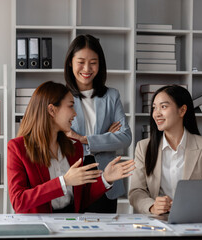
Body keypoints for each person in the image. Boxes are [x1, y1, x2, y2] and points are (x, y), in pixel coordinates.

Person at [7, 81, 135, 214]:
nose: (75, 113)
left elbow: (82, 199)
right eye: (71, 106)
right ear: (52, 110)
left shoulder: (75, 146)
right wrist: (64, 181)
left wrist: (105, 179)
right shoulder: (17, 147)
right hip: (38, 229)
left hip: (69, 225)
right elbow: (18, 201)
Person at [64, 34, 132, 213]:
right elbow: (61, 138)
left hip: (106, 177)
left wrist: (84, 139)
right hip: (73, 175)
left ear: (100, 64)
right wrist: (106, 137)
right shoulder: (61, 96)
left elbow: (125, 137)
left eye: (93, 62)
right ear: (70, 62)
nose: (87, 68)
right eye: (81, 61)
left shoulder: (112, 96)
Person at [129, 85, 202, 215]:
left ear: (182, 110)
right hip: (157, 221)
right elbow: (136, 191)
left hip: (193, 220)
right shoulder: (143, 147)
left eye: (164, 106)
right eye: (154, 108)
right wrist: (152, 206)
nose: (157, 113)